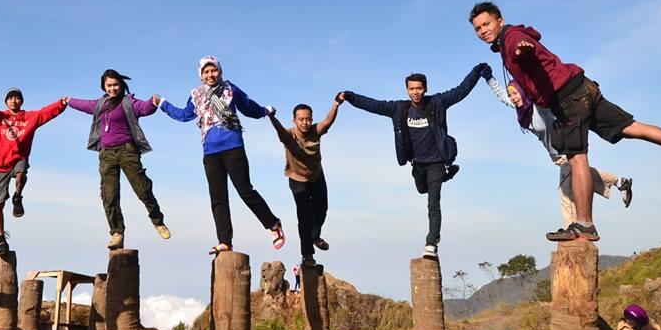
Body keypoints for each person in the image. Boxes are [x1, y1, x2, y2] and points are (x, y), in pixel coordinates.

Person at [469, 1, 661, 242]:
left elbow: (524, 46)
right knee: (632, 127)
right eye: (478, 28)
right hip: (583, 88)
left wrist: (524, 49)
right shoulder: (509, 40)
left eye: (486, 24)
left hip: (568, 99)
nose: (483, 31)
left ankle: (585, 225)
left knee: (577, 159)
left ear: (499, 21)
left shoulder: (512, 38)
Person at [340, 63, 491, 259]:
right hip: (417, 164)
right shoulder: (399, 109)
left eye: (419, 88)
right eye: (412, 89)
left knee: (433, 202)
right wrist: (350, 96)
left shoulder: (437, 103)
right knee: (422, 189)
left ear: (425, 88)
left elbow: (461, 90)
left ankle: (431, 243)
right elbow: (374, 105)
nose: (415, 92)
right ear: (407, 90)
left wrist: (477, 71)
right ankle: (447, 175)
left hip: (436, 161)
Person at [153, 56, 285, 255]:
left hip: (233, 147)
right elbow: (184, 115)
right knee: (218, 198)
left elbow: (248, 107)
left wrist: (265, 111)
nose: (210, 75)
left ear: (220, 71)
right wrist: (163, 103)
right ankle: (225, 241)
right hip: (210, 152)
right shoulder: (196, 94)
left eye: (213, 70)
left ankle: (273, 224)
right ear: (200, 75)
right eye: (205, 72)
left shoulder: (230, 89)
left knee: (245, 190)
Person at [486, 76, 633, 232]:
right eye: (511, 95)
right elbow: (503, 96)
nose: (513, 98)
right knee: (582, 174)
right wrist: (489, 78)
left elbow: (537, 89)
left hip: (565, 151)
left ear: (523, 92)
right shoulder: (523, 110)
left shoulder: (538, 108)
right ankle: (620, 182)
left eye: (515, 93)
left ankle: (570, 227)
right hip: (556, 156)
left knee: (566, 192)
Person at [66, 69, 170, 250]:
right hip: (106, 154)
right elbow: (83, 104)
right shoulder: (99, 104)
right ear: (104, 87)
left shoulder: (128, 102)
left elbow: (144, 108)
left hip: (128, 151)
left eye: (116, 85)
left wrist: (153, 103)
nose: (113, 88)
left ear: (121, 85)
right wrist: (69, 101)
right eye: (109, 85)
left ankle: (158, 221)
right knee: (109, 194)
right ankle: (117, 232)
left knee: (142, 188)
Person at [0, 87, 67, 255]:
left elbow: (46, 112)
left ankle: (18, 196)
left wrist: (61, 103)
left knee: (21, 172)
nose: (13, 100)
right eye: (10, 98)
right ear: (6, 101)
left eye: (17, 98)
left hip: (18, 159)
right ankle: (1, 239)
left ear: (21, 101)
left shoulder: (30, 117)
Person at [268, 97, 341, 267]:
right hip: (297, 179)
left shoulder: (316, 131)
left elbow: (328, 121)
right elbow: (279, 130)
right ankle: (307, 254)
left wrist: (336, 104)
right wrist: (271, 117)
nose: (305, 122)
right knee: (304, 216)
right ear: (295, 120)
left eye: (308, 118)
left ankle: (315, 236)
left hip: (316, 176)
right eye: (301, 119)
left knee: (322, 209)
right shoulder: (289, 135)